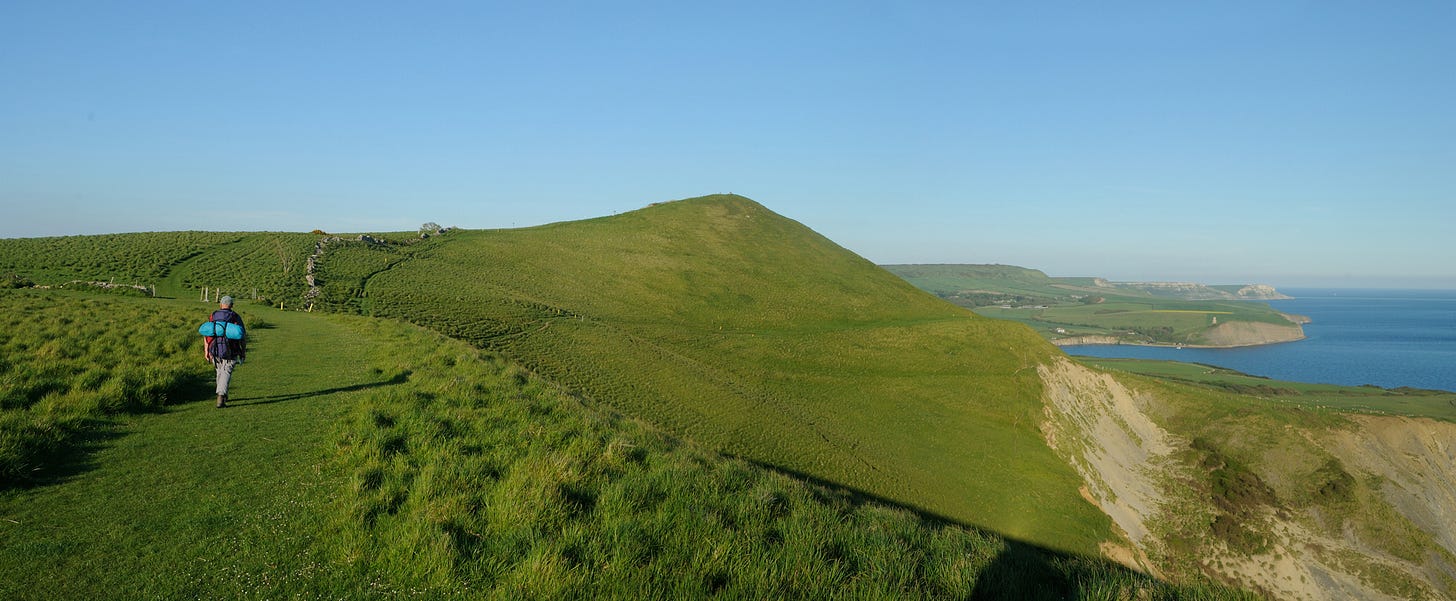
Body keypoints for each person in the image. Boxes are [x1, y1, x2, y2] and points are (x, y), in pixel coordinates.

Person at [203, 296, 247, 408]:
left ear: (221, 305)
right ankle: (221, 396)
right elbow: (242, 336)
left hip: (215, 348)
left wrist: (206, 351)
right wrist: (243, 351)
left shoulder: (213, 316)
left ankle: (222, 394)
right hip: (231, 349)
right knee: (226, 371)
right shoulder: (235, 317)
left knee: (219, 371)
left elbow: (207, 334)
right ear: (231, 305)